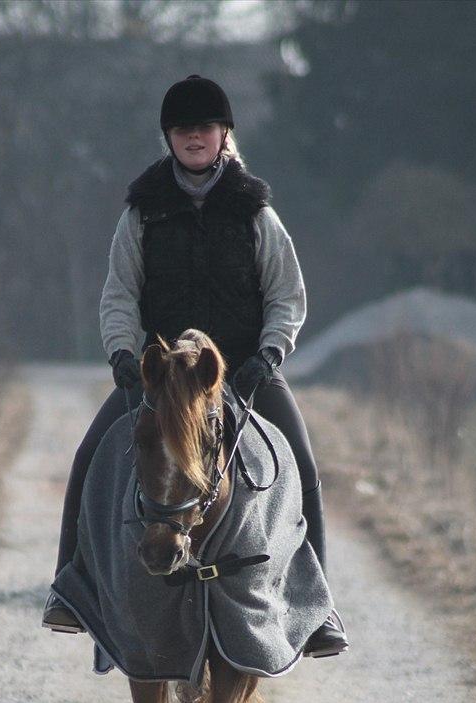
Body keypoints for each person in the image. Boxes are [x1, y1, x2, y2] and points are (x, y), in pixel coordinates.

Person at [43, 74, 347, 658]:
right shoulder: (141, 215)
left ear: (223, 134)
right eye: (183, 129)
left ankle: (319, 606)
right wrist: (123, 356)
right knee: (89, 458)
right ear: (169, 137)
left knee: (303, 465)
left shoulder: (256, 212)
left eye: (203, 128)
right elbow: (118, 296)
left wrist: (269, 354)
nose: (193, 137)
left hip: (243, 372)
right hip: (161, 378)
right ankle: (71, 587)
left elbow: (287, 295)